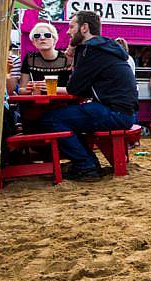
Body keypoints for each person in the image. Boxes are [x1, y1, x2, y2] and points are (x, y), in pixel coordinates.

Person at [39, 10, 138, 181]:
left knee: (50, 119)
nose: (68, 32)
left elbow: (74, 88)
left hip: (114, 113)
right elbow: (82, 88)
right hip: (124, 112)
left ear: (84, 28)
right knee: (67, 117)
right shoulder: (104, 48)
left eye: (71, 27)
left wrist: (48, 88)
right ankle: (85, 163)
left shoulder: (90, 50)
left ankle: (86, 165)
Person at [16, 22, 72, 94]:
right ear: (33, 42)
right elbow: (21, 89)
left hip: (63, 103)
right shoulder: (30, 59)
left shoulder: (67, 58)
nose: (42, 38)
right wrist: (28, 89)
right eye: (37, 36)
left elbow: (74, 90)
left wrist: (53, 88)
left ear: (55, 40)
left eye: (47, 35)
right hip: (35, 102)